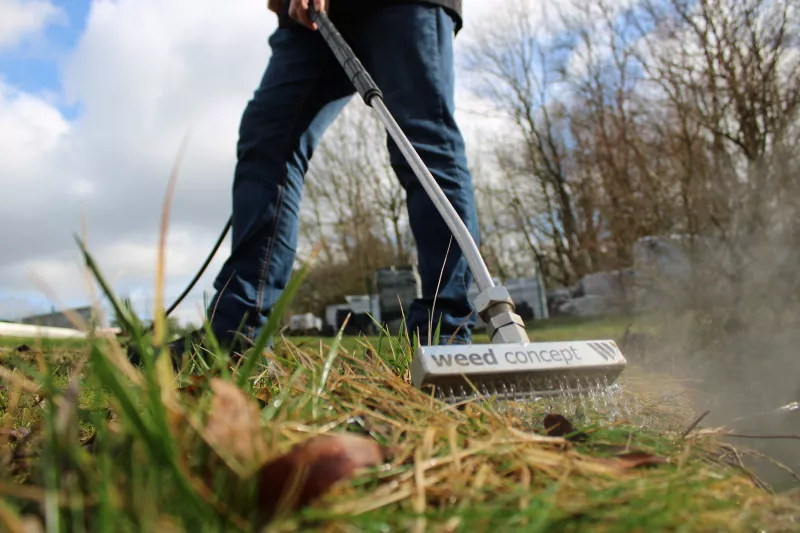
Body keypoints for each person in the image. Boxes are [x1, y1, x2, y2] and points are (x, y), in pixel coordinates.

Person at [151, 0, 482, 367]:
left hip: (406, 7)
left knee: (423, 142)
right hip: (308, 19)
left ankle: (447, 339)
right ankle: (238, 333)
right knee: (269, 137)